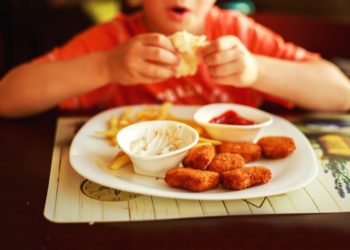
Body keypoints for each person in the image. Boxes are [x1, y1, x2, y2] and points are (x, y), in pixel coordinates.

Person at [0, 0, 349, 118]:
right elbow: (8, 97)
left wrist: (256, 70)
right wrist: (105, 65)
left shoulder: (238, 34)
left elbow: (340, 93)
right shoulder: (112, 41)